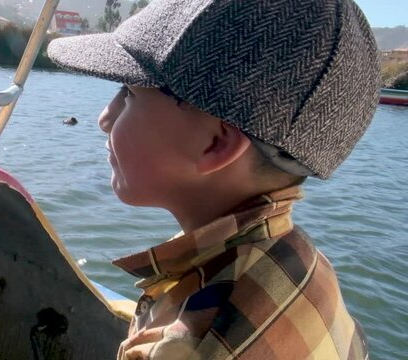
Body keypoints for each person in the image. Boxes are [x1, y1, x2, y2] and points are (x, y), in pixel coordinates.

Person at [48, 0, 379, 359]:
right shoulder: (308, 264)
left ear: (215, 143)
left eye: (128, 94)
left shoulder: (183, 346)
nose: (104, 118)